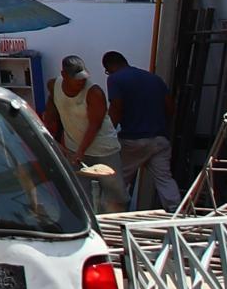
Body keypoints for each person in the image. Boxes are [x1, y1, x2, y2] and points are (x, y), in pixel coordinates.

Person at [99, 50, 180, 211]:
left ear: (109, 67)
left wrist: (107, 135)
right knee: (165, 179)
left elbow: (116, 108)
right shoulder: (154, 78)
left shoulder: (115, 79)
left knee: (118, 180)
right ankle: (177, 211)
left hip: (133, 140)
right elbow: (170, 106)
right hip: (159, 139)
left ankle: (110, 217)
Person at [44, 57, 121, 214]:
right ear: (64, 75)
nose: (81, 82)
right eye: (76, 80)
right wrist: (49, 133)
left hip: (104, 150)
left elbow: (95, 125)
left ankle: (113, 232)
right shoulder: (54, 85)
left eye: (83, 79)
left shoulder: (94, 92)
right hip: (74, 149)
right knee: (80, 195)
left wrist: (80, 151)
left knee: (114, 197)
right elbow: (52, 109)